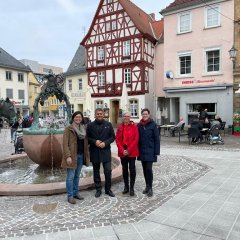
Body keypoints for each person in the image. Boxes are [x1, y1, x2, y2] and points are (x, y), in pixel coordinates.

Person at [61, 111, 89, 204]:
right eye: (76, 117)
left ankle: (76, 193)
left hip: (81, 155)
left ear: (82, 118)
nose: (78, 118)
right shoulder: (68, 129)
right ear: (73, 118)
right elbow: (65, 144)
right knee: (70, 177)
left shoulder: (83, 128)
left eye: (80, 117)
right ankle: (70, 196)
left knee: (77, 176)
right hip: (72, 156)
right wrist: (68, 156)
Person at [87, 108, 115, 198]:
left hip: (105, 151)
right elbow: (87, 138)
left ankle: (108, 189)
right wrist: (95, 141)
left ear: (103, 115)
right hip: (95, 151)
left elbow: (112, 137)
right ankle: (98, 189)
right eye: (97, 114)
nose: (99, 115)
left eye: (101, 114)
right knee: (96, 172)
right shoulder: (90, 125)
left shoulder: (108, 124)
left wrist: (105, 143)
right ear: (95, 115)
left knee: (108, 171)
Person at [138, 108, 160, 197]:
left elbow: (157, 139)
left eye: (146, 114)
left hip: (150, 151)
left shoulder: (153, 125)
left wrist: (156, 152)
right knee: (144, 169)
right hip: (142, 151)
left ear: (149, 115)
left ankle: (150, 188)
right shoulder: (139, 125)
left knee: (149, 169)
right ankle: (147, 186)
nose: (144, 115)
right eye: (143, 114)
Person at [116, 111, 139, 196]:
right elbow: (117, 139)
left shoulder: (134, 127)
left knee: (132, 169)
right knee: (124, 169)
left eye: (128, 116)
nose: (126, 118)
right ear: (123, 117)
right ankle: (126, 186)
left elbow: (136, 139)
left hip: (132, 151)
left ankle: (132, 188)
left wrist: (128, 150)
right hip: (123, 151)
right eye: (125, 116)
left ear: (130, 118)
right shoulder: (120, 127)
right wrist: (122, 150)